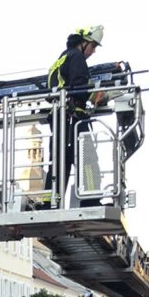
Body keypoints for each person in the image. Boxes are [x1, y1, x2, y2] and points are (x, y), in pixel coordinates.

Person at [43, 25, 103, 206]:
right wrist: (97, 95)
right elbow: (79, 88)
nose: (93, 52)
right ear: (83, 43)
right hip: (72, 116)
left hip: (60, 116)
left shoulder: (62, 58)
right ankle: (90, 200)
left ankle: (50, 202)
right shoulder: (76, 57)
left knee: (60, 161)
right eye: (93, 46)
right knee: (88, 159)